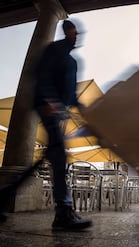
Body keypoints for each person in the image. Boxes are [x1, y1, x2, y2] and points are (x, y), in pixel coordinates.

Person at [34, 19, 92, 231]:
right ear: (67, 31)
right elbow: (42, 76)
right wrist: (49, 100)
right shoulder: (54, 49)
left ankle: (3, 196)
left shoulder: (73, 62)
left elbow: (72, 94)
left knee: (54, 154)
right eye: (74, 33)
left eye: (78, 33)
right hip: (47, 107)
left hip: (60, 112)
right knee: (59, 156)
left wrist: (85, 111)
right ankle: (63, 213)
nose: (77, 37)